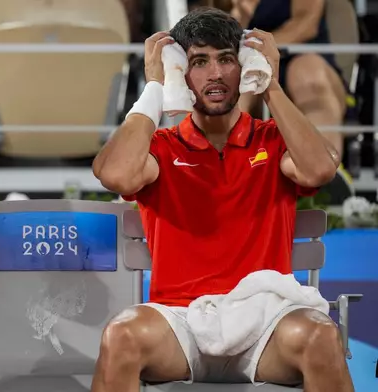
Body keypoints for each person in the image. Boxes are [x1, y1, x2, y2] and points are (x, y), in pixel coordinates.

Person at [91, 8, 353, 392]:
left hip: (267, 323)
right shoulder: (160, 147)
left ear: (243, 65)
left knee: (321, 336)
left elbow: (320, 171)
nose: (215, 73)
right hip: (180, 322)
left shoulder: (272, 140)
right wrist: (154, 88)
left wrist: (271, 86)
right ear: (180, 70)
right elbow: (115, 174)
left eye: (226, 59)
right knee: (121, 336)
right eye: (199, 61)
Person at [230, 0, 354, 203]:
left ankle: (330, 170)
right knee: (242, 83)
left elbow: (306, 25)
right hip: (248, 62)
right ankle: (225, 164)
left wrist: (256, 48)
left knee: (306, 74)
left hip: (306, 58)